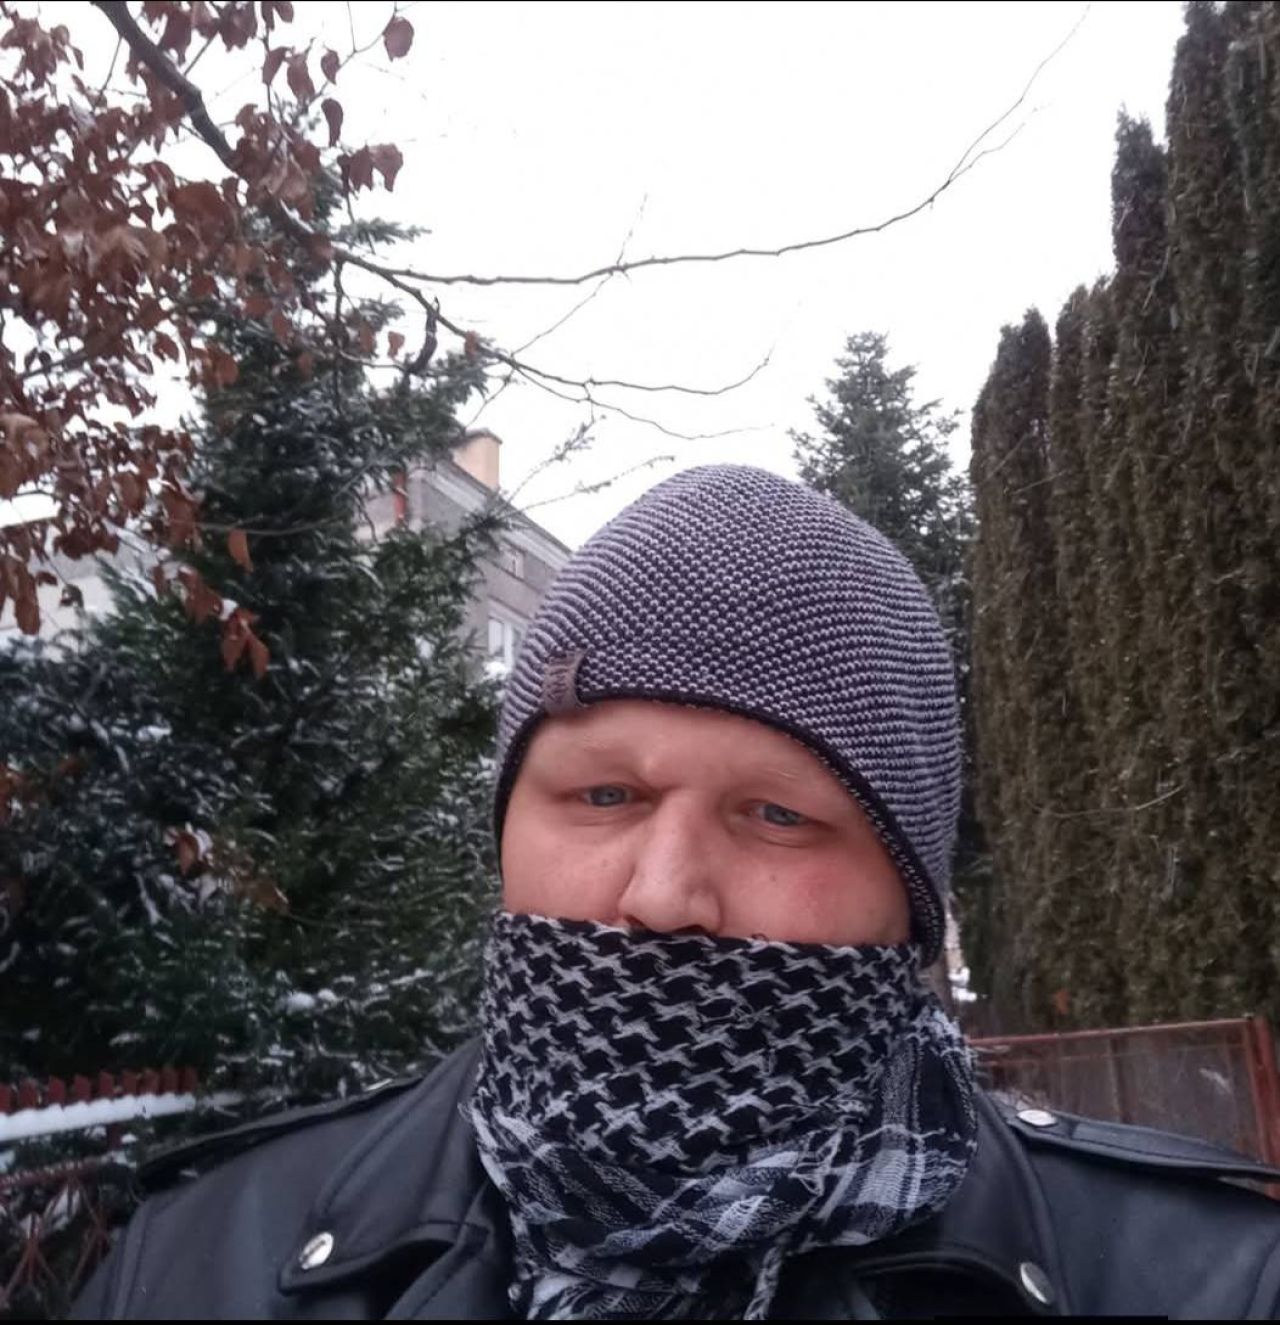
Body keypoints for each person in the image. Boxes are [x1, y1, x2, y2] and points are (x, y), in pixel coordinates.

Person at [73, 465, 1280, 1320]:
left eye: (776, 814)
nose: (660, 895)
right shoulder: (199, 1257)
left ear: (906, 896)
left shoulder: (1207, 1280)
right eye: (602, 795)